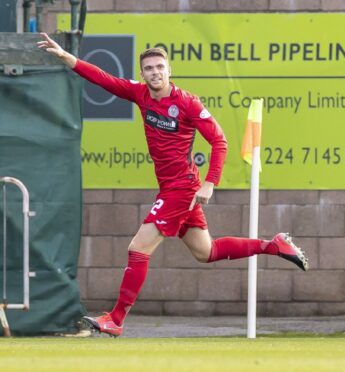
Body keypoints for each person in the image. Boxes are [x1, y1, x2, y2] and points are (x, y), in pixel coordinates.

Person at [38, 33, 308, 337]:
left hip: (182, 187)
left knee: (138, 247)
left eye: (160, 67)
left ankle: (116, 319)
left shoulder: (188, 103)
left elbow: (219, 141)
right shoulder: (140, 94)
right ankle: (273, 245)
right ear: (143, 73)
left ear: (170, 70)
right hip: (172, 188)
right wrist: (66, 58)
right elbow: (104, 79)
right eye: (149, 68)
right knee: (205, 252)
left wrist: (210, 183)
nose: (155, 72)